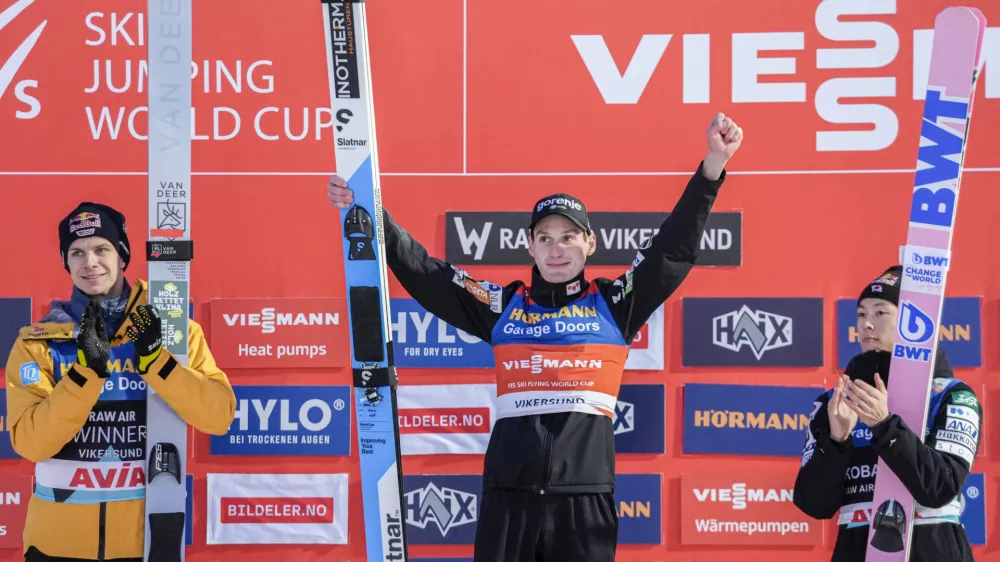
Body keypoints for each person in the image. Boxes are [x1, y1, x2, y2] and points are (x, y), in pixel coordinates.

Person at [327, 113, 743, 561]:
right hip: (510, 496)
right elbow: (428, 274)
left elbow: (672, 251)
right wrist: (371, 213)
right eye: (544, 238)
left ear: (590, 244)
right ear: (530, 247)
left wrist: (712, 168)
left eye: (568, 237)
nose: (556, 249)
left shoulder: (614, 303)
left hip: (583, 500)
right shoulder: (504, 305)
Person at [4, 202, 237, 562]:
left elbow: (218, 416)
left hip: (146, 543)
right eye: (76, 252)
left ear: (122, 256)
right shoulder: (39, 342)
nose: (89, 262)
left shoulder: (176, 334)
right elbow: (32, 444)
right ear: (66, 262)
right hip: (58, 546)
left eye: (102, 249)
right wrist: (85, 375)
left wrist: (157, 362)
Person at [793, 266, 981, 562]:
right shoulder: (835, 401)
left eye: (880, 313)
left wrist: (884, 426)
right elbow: (815, 504)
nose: (867, 324)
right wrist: (836, 440)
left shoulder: (952, 395)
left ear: (914, 322)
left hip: (933, 549)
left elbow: (939, 487)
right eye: (861, 314)